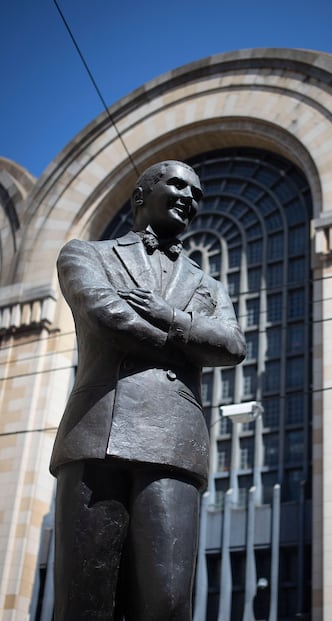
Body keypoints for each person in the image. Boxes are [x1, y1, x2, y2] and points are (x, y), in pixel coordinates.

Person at [50, 160, 245, 620]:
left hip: (175, 441)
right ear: (141, 194)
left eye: (197, 194)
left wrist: (170, 316)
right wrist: (187, 346)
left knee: (168, 603)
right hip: (98, 432)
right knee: (85, 599)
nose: (189, 198)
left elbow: (234, 346)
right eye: (178, 185)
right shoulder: (85, 255)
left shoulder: (208, 285)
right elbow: (107, 318)